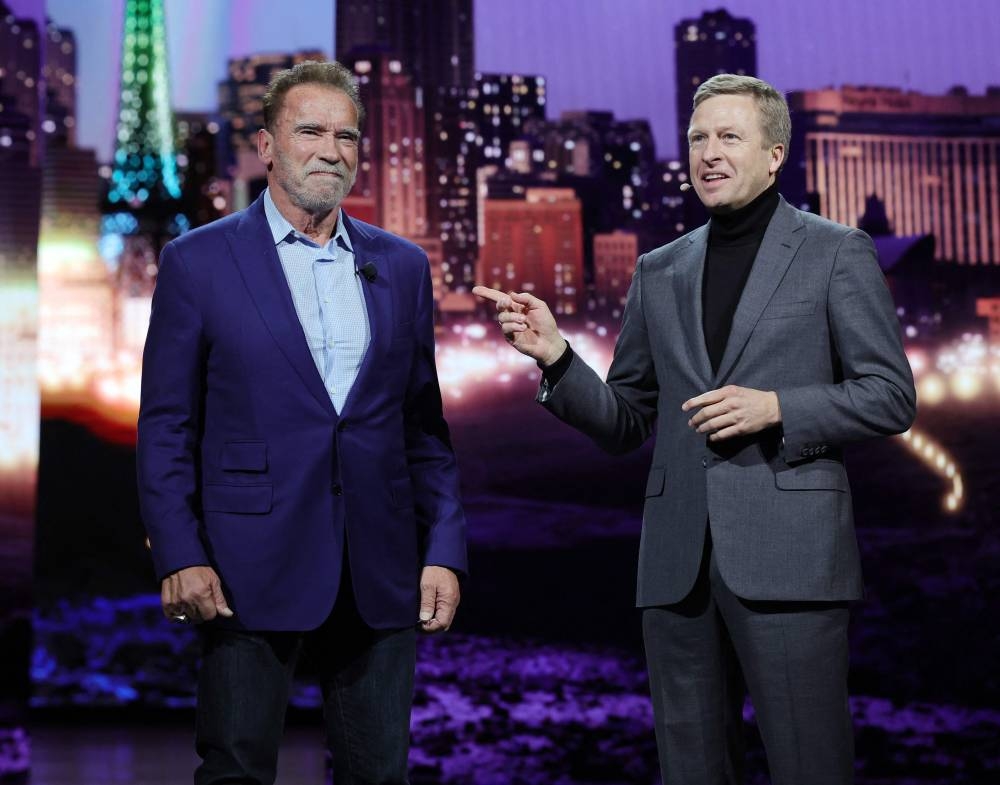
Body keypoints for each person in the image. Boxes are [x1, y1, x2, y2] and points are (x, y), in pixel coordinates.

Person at [474, 73, 915, 785]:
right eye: (697, 138)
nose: (708, 153)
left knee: (811, 767)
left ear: (775, 154)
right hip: (675, 572)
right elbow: (625, 421)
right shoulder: (660, 270)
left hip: (791, 566)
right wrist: (556, 355)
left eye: (729, 137)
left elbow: (891, 395)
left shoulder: (838, 252)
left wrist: (777, 407)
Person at [137, 60, 466, 785]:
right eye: (310, 130)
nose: (331, 149)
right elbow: (165, 423)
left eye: (347, 135)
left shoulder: (404, 267)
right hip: (244, 562)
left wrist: (443, 548)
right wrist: (179, 551)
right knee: (235, 770)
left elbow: (423, 430)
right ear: (267, 145)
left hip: (378, 565)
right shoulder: (198, 262)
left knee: (379, 775)